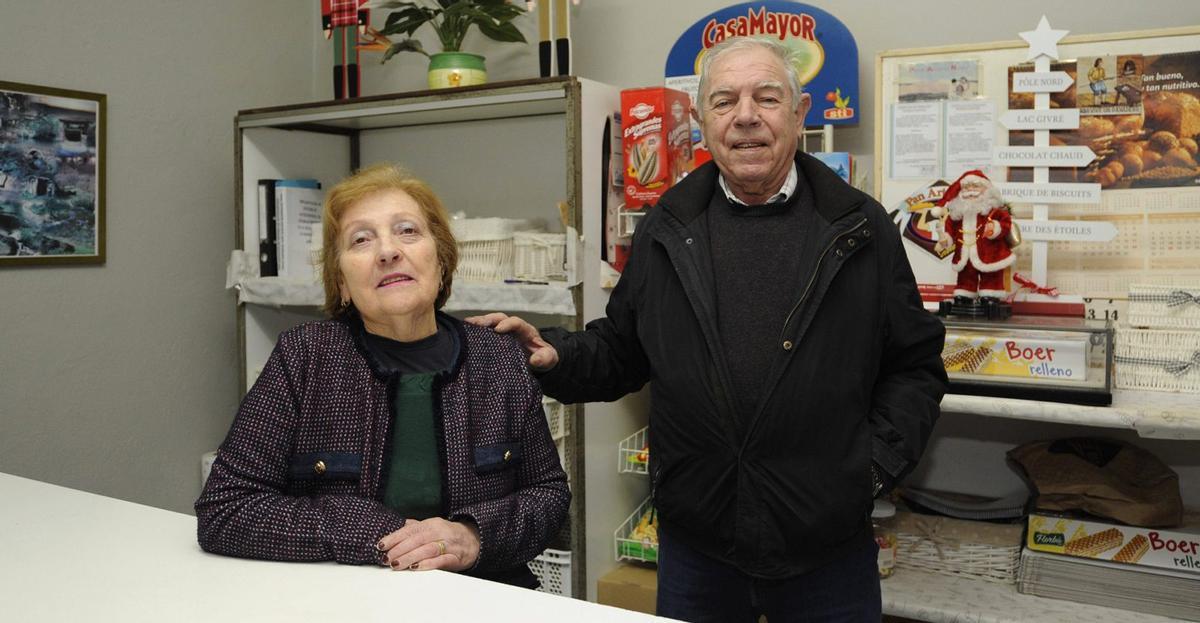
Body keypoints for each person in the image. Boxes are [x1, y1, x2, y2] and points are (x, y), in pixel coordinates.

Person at [470, 36, 947, 622]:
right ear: (701, 122)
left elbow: (915, 366)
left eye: (767, 97)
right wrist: (553, 355)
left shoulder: (857, 226)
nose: (745, 115)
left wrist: (867, 470)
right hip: (699, 545)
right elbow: (622, 349)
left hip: (826, 546)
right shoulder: (669, 226)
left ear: (799, 114)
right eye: (724, 101)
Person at [196, 163, 569, 589]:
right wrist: (373, 533)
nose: (388, 251)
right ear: (341, 284)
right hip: (343, 602)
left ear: (442, 260)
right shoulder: (305, 356)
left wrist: (470, 536)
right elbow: (226, 510)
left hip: (483, 597)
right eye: (361, 239)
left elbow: (549, 497)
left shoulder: (498, 358)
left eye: (407, 231)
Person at [932, 170, 1016, 304]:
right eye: (966, 187)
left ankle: (990, 294)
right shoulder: (956, 214)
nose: (970, 190)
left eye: (975, 186)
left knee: (991, 275)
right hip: (965, 254)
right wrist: (945, 238)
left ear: (987, 189)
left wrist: (995, 227)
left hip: (991, 254)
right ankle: (965, 294)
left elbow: (1005, 224)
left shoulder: (995, 210)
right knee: (965, 276)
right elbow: (949, 230)